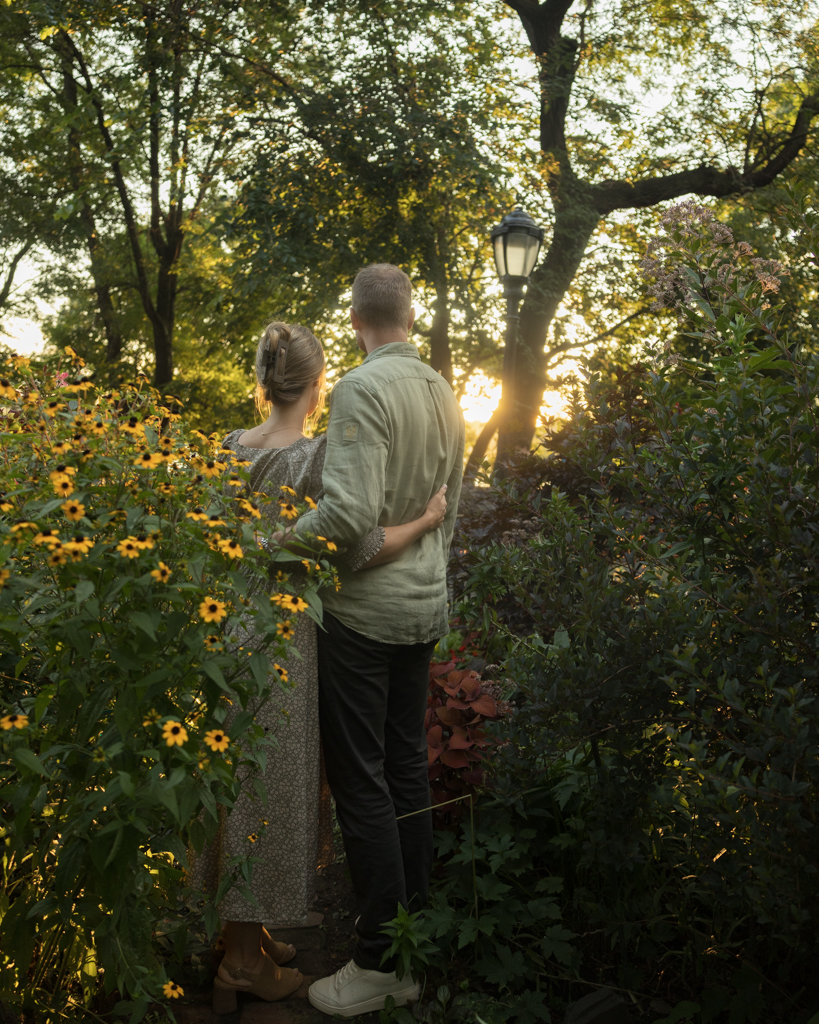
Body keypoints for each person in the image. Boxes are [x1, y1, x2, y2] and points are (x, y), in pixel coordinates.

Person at [195, 321, 449, 1016]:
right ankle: (243, 964)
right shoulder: (311, 458)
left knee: (231, 780)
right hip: (277, 636)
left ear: (262, 379)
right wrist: (425, 521)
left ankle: (244, 936)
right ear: (318, 385)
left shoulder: (223, 449)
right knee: (267, 790)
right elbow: (358, 542)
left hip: (220, 630)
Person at [296, 264, 465, 1017]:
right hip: (423, 607)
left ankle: (377, 963)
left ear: (354, 316)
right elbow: (446, 509)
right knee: (403, 774)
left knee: (362, 782)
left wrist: (271, 542)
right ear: (408, 311)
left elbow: (345, 518)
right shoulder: (441, 388)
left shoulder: (360, 390)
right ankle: (412, 946)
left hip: (365, 617)